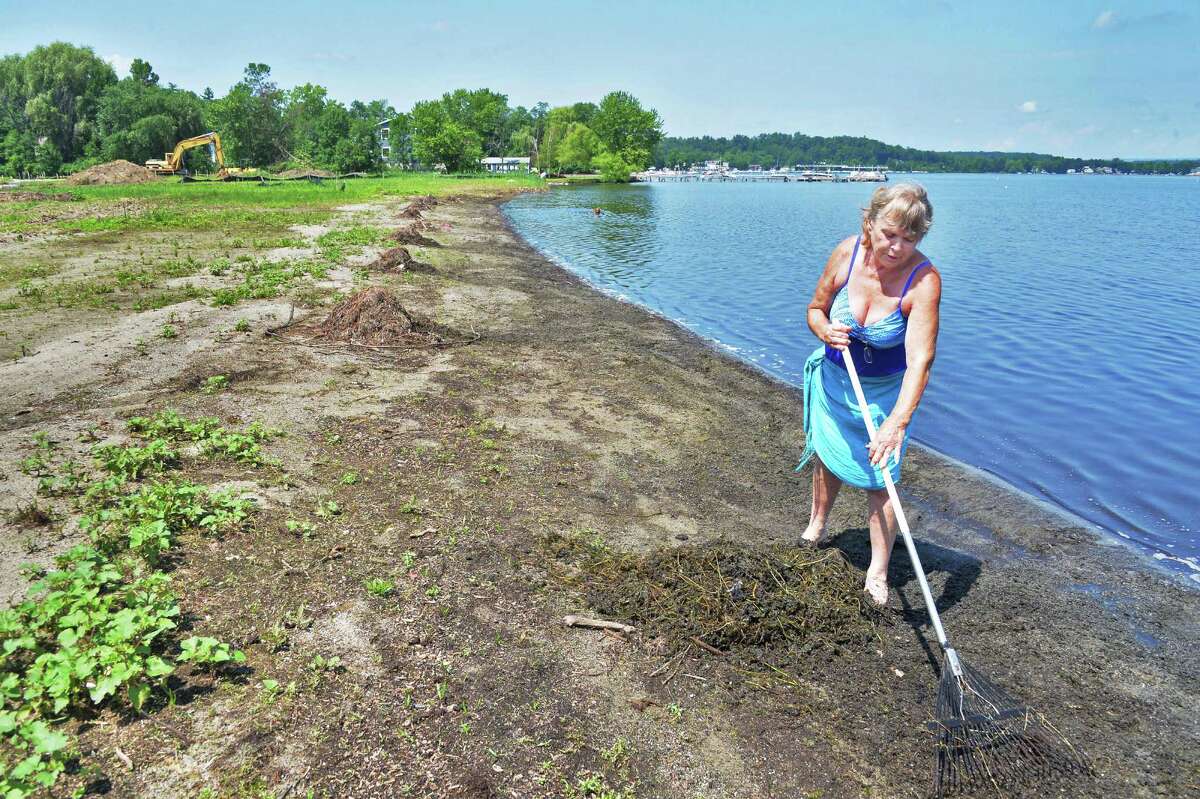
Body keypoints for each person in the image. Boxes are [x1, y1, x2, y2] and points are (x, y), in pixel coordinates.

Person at [795, 183, 942, 606]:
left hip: (883, 394)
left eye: (909, 238)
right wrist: (825, 330)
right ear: (869, 224)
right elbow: (815, 309)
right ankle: (816, 526)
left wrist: (897, 422)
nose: (897, 247)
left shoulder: (924, 282)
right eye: (889, 234)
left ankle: (877, 571)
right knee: (828, 456)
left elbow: (920, 361)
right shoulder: (847, 253)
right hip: (835, 380)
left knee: (882, 478)